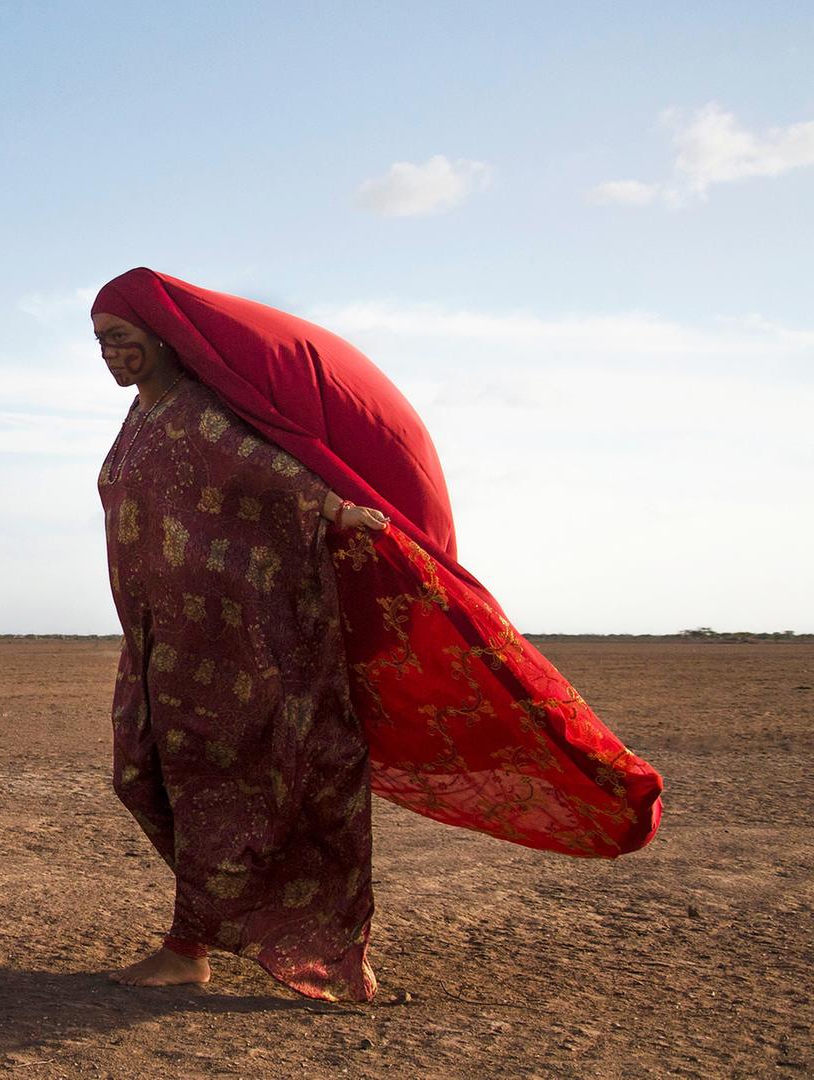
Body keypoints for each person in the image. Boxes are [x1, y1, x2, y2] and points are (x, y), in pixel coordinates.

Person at [90, 267, 663, 1003]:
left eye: (121, 339)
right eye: (101, 342)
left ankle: (199, 945)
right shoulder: (140, 419)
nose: (109, 354)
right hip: (161, 645)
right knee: (144, 775)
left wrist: (336, 508)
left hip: (237, 646)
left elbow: (269, 473)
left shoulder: (198, 413)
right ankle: (210, 927)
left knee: (227, 789)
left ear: (162, 337)